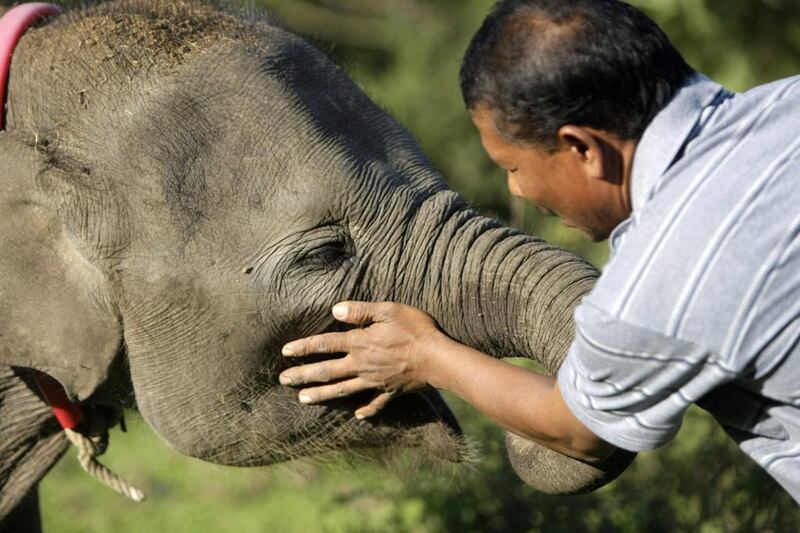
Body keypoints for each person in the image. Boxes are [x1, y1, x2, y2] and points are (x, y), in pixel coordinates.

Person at [278, 0, 800, 501]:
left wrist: (424, 355)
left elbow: (577, 431)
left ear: (582, 149)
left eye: (513, 166)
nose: (518, 192)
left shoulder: (659, 288)